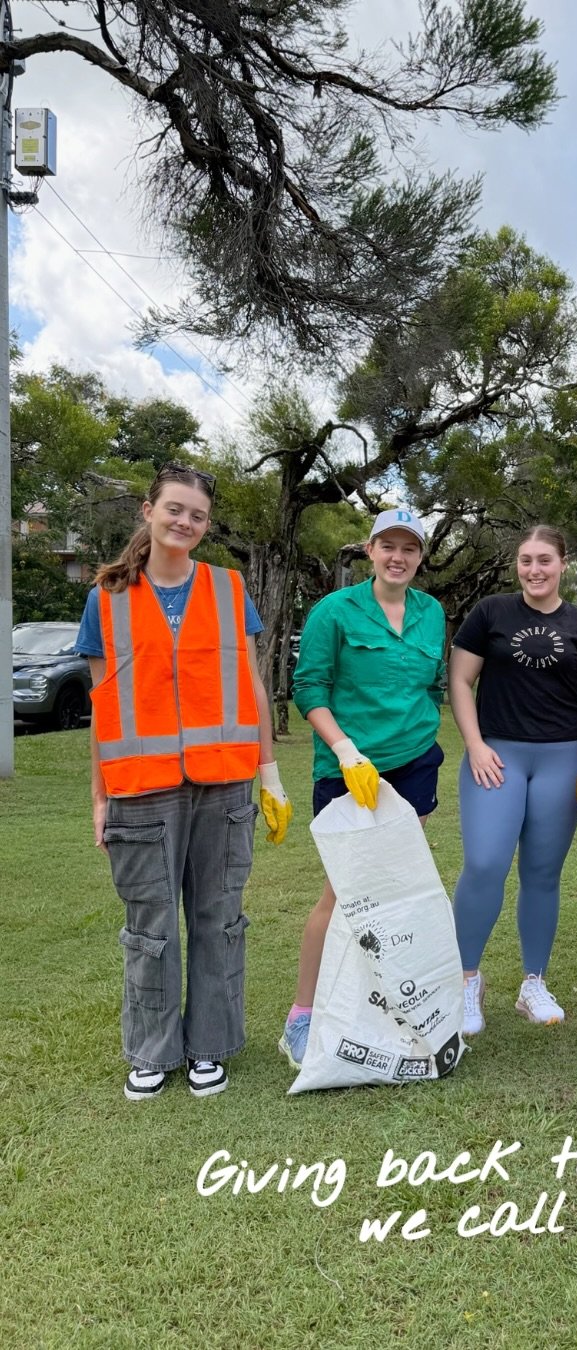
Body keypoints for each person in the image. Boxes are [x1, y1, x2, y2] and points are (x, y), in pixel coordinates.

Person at [76, 462, 291, 1102]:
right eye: (174, 509)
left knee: (219, 918)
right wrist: (99, 795)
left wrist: (269, 773)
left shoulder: (228, 589)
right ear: (148, 510)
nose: (185, 522)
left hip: (224, 785)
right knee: (150, 924)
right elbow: (102, 703)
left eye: (197, 514)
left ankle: (210, 1047)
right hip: (140, 788)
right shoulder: (106, 598)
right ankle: (151, 1050)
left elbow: (252, 687)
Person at [280, 508, 446, 1068]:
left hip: (415, 764)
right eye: (388, 546)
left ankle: (386, 1007)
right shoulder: (336, 610)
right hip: (350, 769)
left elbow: (428, 689)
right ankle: (302, 1016)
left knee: (397, 891)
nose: (398, 557)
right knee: (343, 893)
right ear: (370, 551)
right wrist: (347, 749)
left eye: (409, 548)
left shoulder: (431, 613)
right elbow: (308, 687)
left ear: (420, 557)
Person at [450, 525, 577, 1034]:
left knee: (542, 873)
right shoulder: (490, 613)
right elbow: (459, 679)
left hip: (562, 757)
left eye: (545, 560)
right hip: (497, 753)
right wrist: (476, 745)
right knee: (484, 863)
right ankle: (465, 981)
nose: (535, 570)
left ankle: (533, 983)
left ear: (564, 563)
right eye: (526, 560)